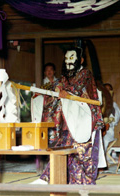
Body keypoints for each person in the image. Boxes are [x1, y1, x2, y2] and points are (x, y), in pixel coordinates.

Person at [31, 46, 106, 185]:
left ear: (81, 60)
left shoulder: (85, 74)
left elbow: (76, 87)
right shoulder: (64, 77)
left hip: (85, 117)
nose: (68, 61)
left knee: (83, 154)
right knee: (63, 148)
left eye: (72, 58)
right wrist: (49, 91)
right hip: (68, 119)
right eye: (66, 58)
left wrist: (65, 90)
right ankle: (48, 177)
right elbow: (57, 86)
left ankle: (84, 182)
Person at [103, 83, 120, 155]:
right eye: (105, 90)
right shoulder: (97, 104)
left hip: (108, 132)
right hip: (96, 130)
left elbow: (115, 120)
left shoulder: (114, 106)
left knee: (103, 140)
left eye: (109, 90)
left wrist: (106, 121)